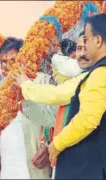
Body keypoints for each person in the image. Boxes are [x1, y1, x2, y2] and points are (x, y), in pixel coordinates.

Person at [48, 13, 106, 179]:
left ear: (98, 41)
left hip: (87, 169)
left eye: (86, 39)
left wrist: (57, 144)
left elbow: (87, 119)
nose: (84, 44)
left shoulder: (101, 73)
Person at [0, 37, 57, 179]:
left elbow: (54, 120)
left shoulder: (42, 81)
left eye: (13, 60)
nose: (8, 66)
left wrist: (49, 147)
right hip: (8, 169)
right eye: (4, 61)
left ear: (23, 60)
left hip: (35, 167)